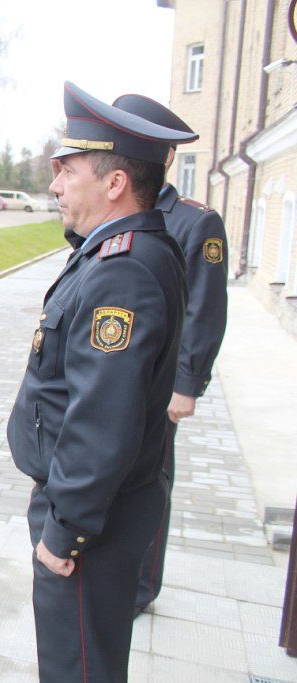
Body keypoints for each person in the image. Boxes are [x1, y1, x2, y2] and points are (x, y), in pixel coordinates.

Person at [6, 82, 195, 682]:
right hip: (94, 507)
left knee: (78, 668)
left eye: (69, 170)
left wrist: (64, 532)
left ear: (114, 183)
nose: (56, 184)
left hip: (91, 519)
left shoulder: (123, 272)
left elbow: (102, 420)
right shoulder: (117, 254)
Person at [112, 94, 229, 616]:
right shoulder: (118, 213)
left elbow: (206, 310)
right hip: (117, 378)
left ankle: (140, 586)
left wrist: (188, 384)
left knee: (150, 482)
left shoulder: (194, 223)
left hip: (160, 384)